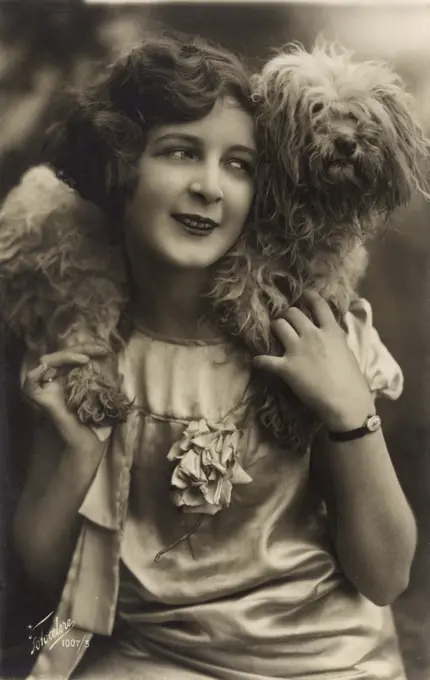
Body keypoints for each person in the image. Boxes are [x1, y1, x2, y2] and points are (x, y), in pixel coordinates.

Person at [13, 32, 415, 680]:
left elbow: (388, 575)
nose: (209, 187)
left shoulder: (320, 337)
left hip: (328, 658)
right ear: (121, 168)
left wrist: (350, 412)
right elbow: (41, 578)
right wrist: (80, 457)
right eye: (179, 152)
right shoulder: (83, 348)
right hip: (155, 659)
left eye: (240, 164)